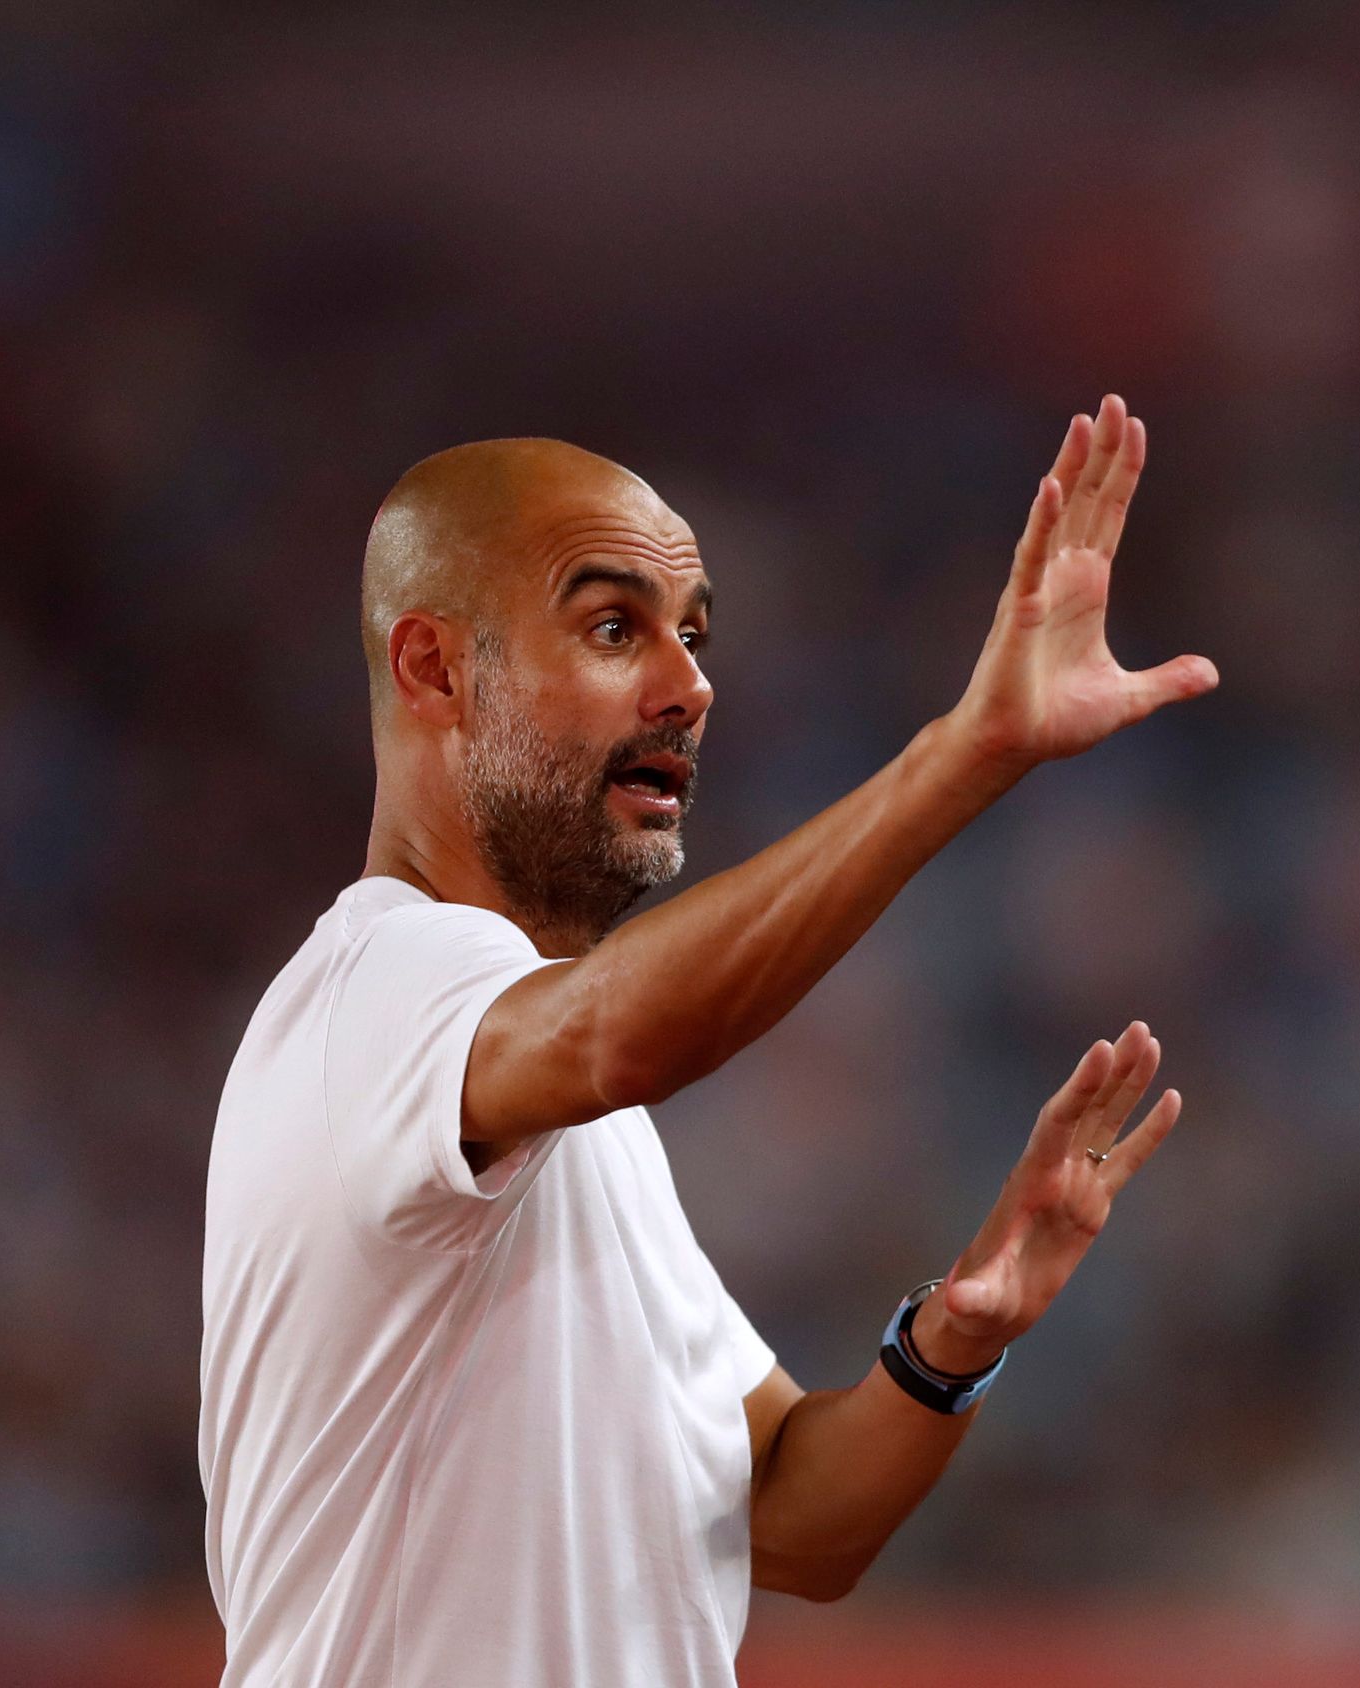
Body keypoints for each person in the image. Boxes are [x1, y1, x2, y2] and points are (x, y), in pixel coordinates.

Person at [198, 397, 1217, 1687]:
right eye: (615, 626)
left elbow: (794, 1522)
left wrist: (957, 1336)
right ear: (433, 669)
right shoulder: (377, 987)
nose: (689, 686)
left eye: (693, 634)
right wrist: (969, 753)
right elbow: (626, 1030)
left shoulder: (557, 1114)